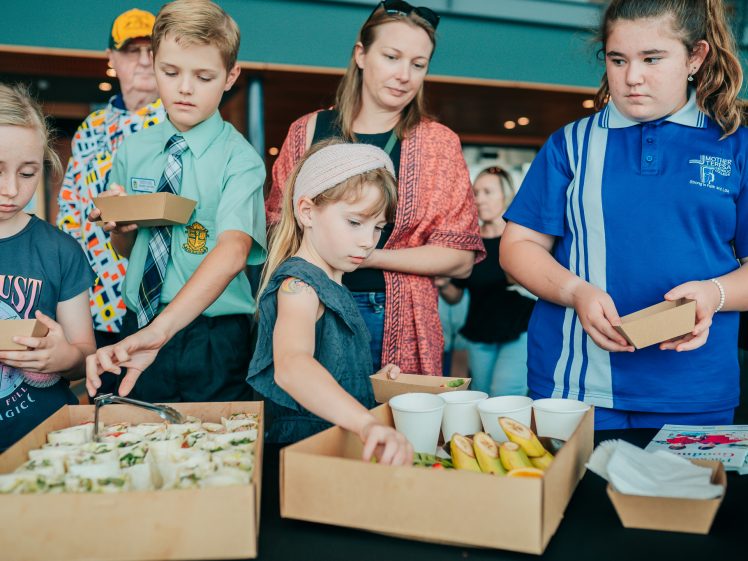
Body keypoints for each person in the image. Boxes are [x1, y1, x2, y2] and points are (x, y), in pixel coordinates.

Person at [500, 0, 748, 429]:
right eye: (619, 59)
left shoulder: (734, 144)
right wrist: (576, 292)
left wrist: (713, 295)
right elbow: (518, 246)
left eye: (652, 58)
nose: (632, 77)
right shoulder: (570, 144)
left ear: (695, 56)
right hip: (573, 385)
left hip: (695, 390)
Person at [266, 0, 484, 376]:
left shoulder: (437, 143)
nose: (404, 75)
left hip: (392, 314)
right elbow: (276, 224)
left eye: (418, 65)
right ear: (361, 55)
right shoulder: (306, 132)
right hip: (306, 305)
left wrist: (364, 256)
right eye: (392, 57)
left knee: (388, 427)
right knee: (311, 426)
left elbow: (461, 258)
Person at [85, 0, 267, 402]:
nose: (185, 88)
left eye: (203, 76)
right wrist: (121, 227)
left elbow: (234, 250)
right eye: (171, 72)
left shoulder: (241, 159)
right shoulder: (133, 150)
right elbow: (127, 249)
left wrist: (161, 329)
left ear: (230, 76)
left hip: (214, 337)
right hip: (140, 319)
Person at [248, 140, 412, 465]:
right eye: (354, 222)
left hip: (336, 450)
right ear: (307, 211)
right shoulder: (299, 285)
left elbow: (328, 366)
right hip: (303, 455)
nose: (368, 241)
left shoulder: (333, 280)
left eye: (378, 227)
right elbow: (293, 365)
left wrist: (368, 379)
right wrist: (366, 423)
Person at [57, 8, 164, 351]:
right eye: (133, 51)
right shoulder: (91, 126)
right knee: (103, 398)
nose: (145, 61)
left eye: (153, 51)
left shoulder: (176, 119)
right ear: (112, 58)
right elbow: (70, 209)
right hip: (95, 298)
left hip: (156, 299)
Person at [0, 83, 96, 450]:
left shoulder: (59, 250)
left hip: (48, 443)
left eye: (27, 174)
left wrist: (64, 357)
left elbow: (84, 353)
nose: (11, 189)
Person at [438, 167, 534, 396]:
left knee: (505, 394)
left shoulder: (522, 237)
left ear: (506, 195)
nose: (479, 199)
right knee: (482, 396)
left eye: (487, 192)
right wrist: (442, 284)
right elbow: (456, 296)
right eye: (475, 192)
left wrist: (522, 278)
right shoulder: (469, 242)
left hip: (519, 330)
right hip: (479, 333)